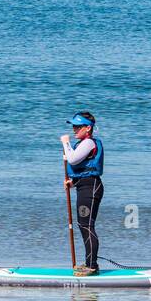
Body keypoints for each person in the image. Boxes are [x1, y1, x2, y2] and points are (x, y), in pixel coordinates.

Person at [60, 112, 103, 276]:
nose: (74, 129)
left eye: (78, 126)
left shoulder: (89, 143)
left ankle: (91, 266)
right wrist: (74, 182)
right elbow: (84, 170)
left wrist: (66, 143)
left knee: (86, 225)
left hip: (91, 188)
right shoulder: (84, 143)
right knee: (83, 225)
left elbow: (72, 159)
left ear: (88, 128)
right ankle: (90, 263)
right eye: (73, 126)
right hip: (85, 186)